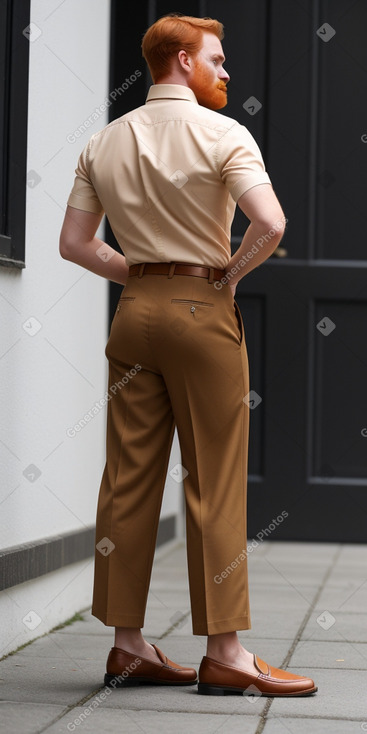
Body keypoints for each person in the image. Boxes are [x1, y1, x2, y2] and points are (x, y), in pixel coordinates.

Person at [59, 13, 317, 697]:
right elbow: (270, 223)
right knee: (214, 479)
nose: (227, 71)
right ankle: (226, 653)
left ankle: (127, 646)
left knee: (128, 476)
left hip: (134, 314)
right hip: (204, 313)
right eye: (217, 59)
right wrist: (225, 279)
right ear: (180, 60)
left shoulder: (102, 141)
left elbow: (75, 245)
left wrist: (143, 280)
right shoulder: (224, 133)